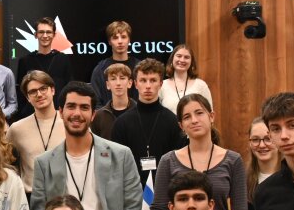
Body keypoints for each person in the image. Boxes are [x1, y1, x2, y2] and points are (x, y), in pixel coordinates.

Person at [30, 81, 142, 210]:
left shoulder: (121, 155)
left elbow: (133, 209)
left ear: (93, 114)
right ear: (61, 112)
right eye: (71, 106)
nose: (77, 113)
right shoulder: (44, 163)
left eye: (84, 107)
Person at [150, 93, 249, 210]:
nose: (194, 120)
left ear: (211, 116)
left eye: (199, 113)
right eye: (187, 117)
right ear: (181, 125)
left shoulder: (233, 160)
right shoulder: (168, 161)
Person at [110, 59, 187, 190]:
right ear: (135, 84)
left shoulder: (173, 122)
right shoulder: (121, 123)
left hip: (166, 190)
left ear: (161, 83)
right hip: (131, 191)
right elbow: (117, 166)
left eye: (153, 80)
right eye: (143, 80)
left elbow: (179, 163)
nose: (148, 86)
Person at [9, 71, 65, 196]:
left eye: (43, 89)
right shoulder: (17, 129)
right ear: (27, 98)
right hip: (30, 197)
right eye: (33, 91)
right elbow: (5, 163)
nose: (39, 94)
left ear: (52, 90)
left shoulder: (69, 123)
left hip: (64, 197)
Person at [16, 17, 71, 117]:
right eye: (41, 32)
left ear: (54, 35)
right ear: (35, 35)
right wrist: (23, 112)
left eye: (48, 32)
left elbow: (69, 88)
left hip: (58, 114)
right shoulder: (25, 61)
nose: (45, 36)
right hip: (32, 115)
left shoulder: (63, 59)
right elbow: (21, 92)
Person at [88, 20, 139, 108]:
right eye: (115, 38)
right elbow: (95, 102)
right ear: (109, 41)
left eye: (123, 37)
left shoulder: (139, 68)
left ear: (129, 40)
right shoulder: (100, 69)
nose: (120, 41)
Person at [158, 43, 213, 119]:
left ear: (191, 62)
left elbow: (209, 114)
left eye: (186, 57)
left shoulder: (201, 85)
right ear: (172, 59)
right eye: (179, 56)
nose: (182, 60)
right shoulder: (162, 85)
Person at [91, 63, 135, 139]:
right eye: (113, 79)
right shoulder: (98, 117)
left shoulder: (141, 113)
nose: (118, 83)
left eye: (122, 78)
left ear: (130, 83)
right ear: (108, 84)